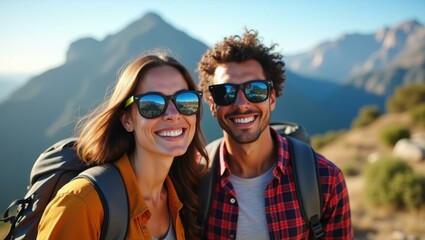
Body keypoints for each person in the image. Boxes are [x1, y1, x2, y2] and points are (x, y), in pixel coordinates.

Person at [197, 29, 353, 239]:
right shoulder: (194, 178)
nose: (242, 104)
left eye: (255, 90)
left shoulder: (326, 179)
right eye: (225, 92)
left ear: (271, 98)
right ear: (212, 105)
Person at [37, 52, 208, 239]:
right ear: (127, 121)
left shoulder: (185, 196)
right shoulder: (82, 203)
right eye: (152, 104)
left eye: (185, 100)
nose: (173, 114)